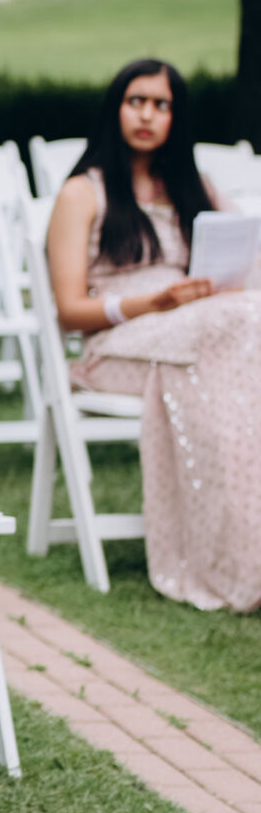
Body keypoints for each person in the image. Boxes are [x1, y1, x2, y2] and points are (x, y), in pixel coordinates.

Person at [46, 59, 261, 613]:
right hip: (118, 342)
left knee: (245, 319)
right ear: (115, 109)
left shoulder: (196, 188)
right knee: (233, 332)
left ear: (176, 117)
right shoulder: (83, 193)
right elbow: (69, 311)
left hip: (199, 333)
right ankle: (232, 562)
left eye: (161, 105)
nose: (147, 115)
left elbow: (248, 257)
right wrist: (154, 303)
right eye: (136, 101)